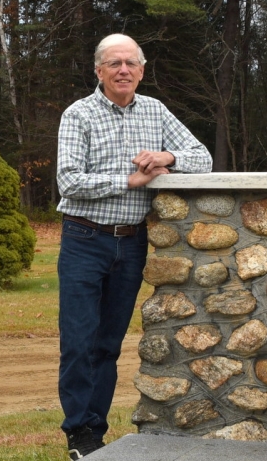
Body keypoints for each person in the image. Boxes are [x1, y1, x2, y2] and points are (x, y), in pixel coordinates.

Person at [55, 33, 211, 459]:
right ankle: (78, 433)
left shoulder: (156, 111)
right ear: (99, 71)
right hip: (85, 239)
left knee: (108, 344)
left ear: (142, 71)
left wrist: (167, 158)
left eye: (131, 63)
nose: (123, 70)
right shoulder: (79, 114)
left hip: (132, 243)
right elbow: (68, 181)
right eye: (114, 63)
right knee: (79, 341)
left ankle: (95, 434)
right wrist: (128, 181)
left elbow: (203, 157)